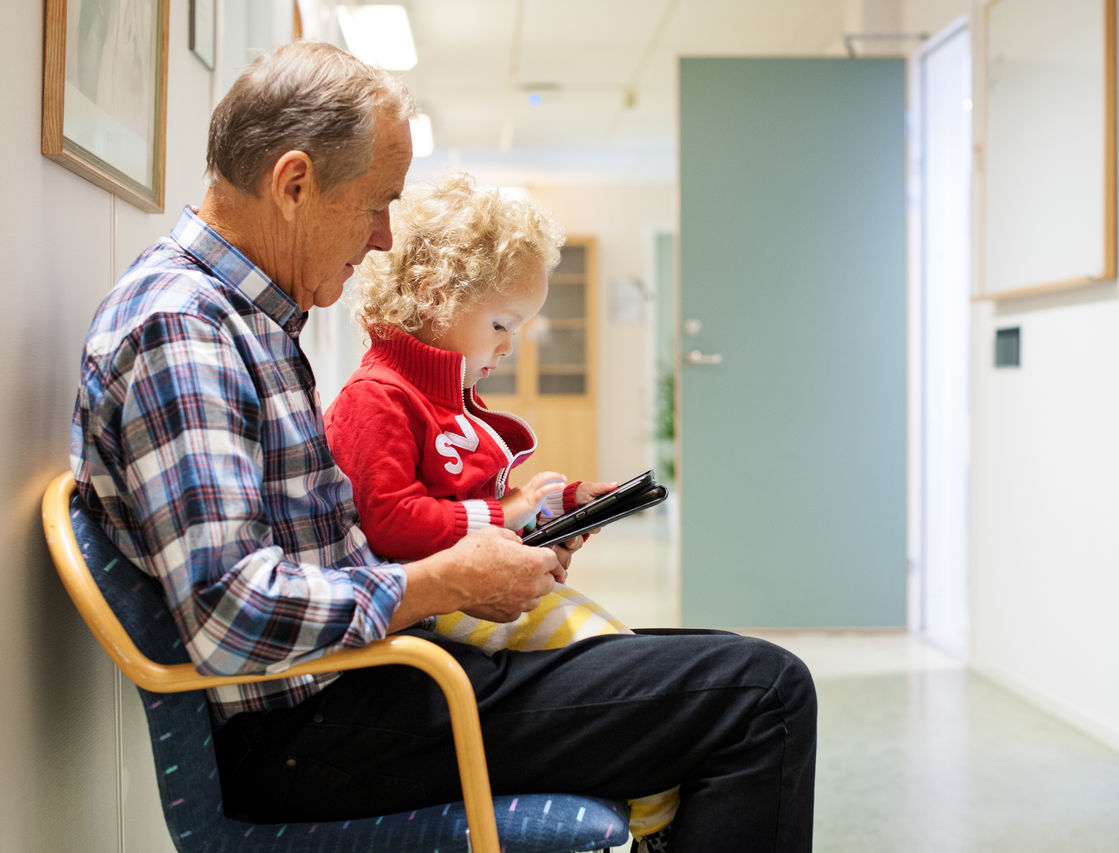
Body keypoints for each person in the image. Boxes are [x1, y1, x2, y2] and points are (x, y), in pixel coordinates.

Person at [69, 40, 817, 853]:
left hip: (369, 683)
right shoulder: (184, 329)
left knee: (731, 669)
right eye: (375, 204)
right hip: (319, 728)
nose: (386, 239)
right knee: (763, 694)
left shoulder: (242, 323)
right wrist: (445, 580)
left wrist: (473, 559)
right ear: (294, 183)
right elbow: (229, 611)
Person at [323, 173, 679, 841]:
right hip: (435, 607)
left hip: (467, 593)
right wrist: (507, 511)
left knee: (625, 662)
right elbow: (394, 523)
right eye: (500, 324)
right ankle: (657, 823)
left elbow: (473, 501)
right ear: (434, 295)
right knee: (626, 674)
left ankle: (653, 804)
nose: (510, 346)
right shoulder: (378, 397)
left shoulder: (443, 400)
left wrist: (564, 506)